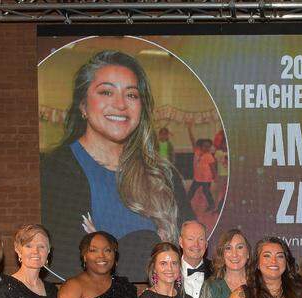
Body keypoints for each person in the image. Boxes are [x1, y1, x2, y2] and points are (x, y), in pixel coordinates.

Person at [41, 50, 194, 279]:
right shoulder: (53, 171)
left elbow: (190, 254)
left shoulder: (164, 176)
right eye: (106, 92)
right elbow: (58, 266)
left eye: (131, 95)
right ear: (83, 105)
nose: (121, 104)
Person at [179, 220, 210, 298]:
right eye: (190, 239)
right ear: (181, 242)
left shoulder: (217, 271)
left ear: (206, 244)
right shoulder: (169, 271)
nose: (196, 244)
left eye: (201, 239)